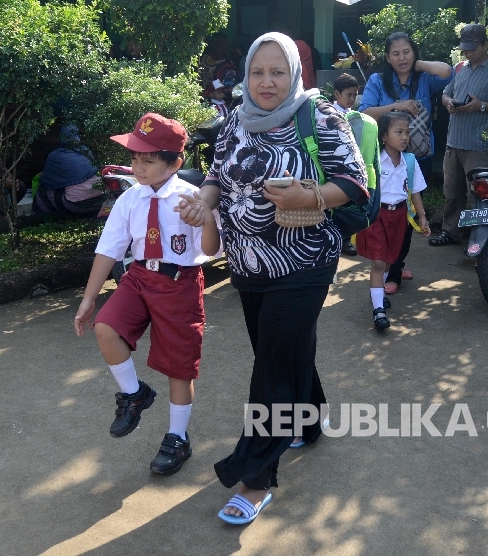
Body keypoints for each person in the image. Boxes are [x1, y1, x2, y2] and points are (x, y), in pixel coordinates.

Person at [177, 32, 368, 524]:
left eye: (277, 71)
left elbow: (354, 182)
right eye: (258, 72)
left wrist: (311, 198)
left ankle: (256, 477)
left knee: (274, 360)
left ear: (294, 73)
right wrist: (206, 201)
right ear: (246, 75)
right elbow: (218, 174)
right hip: (247, 263)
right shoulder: (234, 123)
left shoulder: (321, 116)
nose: (266, 81)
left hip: (305, 260)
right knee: (278, 349)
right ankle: (311, 417)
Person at [73, 113, 222, 476]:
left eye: (148, 159)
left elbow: (213, 249)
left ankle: (177, 437)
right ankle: (134, 393)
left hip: (180, 283)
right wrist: (89, 299)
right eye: (135, 157)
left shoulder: (191, 197)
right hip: (139, 277)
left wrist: (204, 219)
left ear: (175, 163)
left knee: (178, 367)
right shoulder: (129, 200)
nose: (138, 166)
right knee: (106, 327)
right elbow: (109, 249)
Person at [359, 32, 452, 293]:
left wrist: (418, 64)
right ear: (387, 58)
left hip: (416, 159)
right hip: (384, 159)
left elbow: (447, 72)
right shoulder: (378, 81)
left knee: (407, 214)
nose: (402, 58)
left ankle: (396, 268)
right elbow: (365, 112)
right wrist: (397, 105)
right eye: (396, 54)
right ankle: (389, 263)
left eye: (407, 52)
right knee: (384, 211)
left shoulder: (423, 78)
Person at [431, 24, 488, 247]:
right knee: (452, 193)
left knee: (479, 195)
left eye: (473, 48)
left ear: (485, 45)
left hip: (479, 144)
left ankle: (481, 239)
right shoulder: (460, 68)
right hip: (454, 141)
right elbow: (446, 95)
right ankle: (451, 232)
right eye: (465, 48)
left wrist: (482, 106)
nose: (469, 52)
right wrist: (449, 104)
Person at [356, 112, 430, 329]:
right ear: (384, 137)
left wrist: (423, 217)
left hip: (399, 216)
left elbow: (415, 191)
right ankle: (379, 311)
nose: (405, 137)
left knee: (389, 258)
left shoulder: (410, 161)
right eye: (399, 132)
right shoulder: (374, 160)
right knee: (378, 262)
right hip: (377, 215)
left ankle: (377, 292)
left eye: (407, 132)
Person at [32, 125, 106, 218]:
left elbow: (47, 182)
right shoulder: (86, 151)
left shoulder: (55, 156)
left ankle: (39, 219)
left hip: (76, 205)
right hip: (100, 200)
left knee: (42, 192)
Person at [332, 72, 361, 256]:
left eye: (355, 95)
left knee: (348, 203)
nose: (352, 99)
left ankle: (346, 239)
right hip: (335, 165)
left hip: (350, 164)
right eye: (348, 95)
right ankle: (337, 239)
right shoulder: (329, 114)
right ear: (336, 94)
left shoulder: (355, 116)